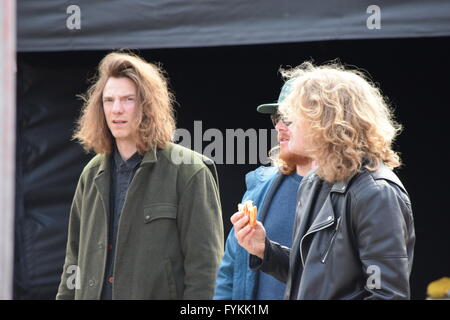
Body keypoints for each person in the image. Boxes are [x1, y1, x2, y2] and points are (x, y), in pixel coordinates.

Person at [231, 62, 415, 299]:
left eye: (291, 117)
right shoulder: (312, 182)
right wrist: (265, 249)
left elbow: (387, 295)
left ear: (325, 121)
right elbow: (312, 278)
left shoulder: (376, 191)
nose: (280, 126)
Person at [56, 52, 224, 300]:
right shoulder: (91, 174)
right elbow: (73, 261)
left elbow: (205, 272)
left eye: (128, 99)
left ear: (147, 105)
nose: (117, 109)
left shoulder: (189, 170)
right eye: (109, 100)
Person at [214, 79, 314, 299]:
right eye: (277, 118)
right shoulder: (261, 186)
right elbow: (230, 273)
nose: (279, 126)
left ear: (320, 122)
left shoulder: (348, 192)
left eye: (288, 117)